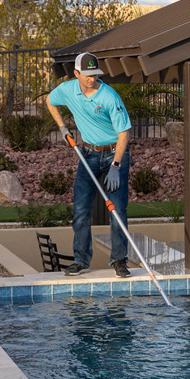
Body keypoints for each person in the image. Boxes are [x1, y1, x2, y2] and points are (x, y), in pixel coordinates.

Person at [47, 52, 132, 277]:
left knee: (117, 210)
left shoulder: (109, 96)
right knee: (81, 210)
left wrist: (115, 166)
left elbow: (124, 133)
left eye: (95, 74)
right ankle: (81, 260)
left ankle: (119, 260)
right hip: (88, 156)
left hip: (115, 154)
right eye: (87, 75)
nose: (91, 79)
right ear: (76, 74)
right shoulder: (67, 90)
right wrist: (63, 128)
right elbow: (50, 101)